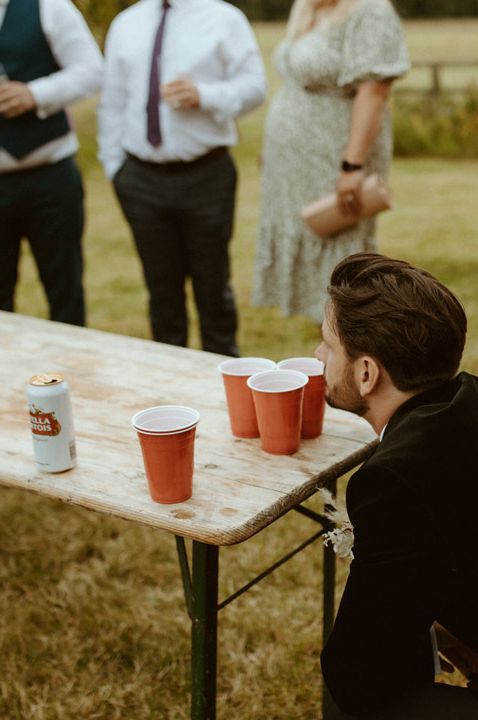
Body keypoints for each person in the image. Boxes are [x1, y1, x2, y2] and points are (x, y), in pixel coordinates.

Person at [315, 253, 478, 719]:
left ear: (366, 373)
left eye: (328, 345)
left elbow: (357, 674)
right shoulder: (470, 398)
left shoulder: (393, 481)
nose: (318, 357)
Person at [98, 0, 266, 357]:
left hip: (206, 175)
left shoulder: (223, 18)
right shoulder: (126, 23)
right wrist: (116, 169)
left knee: (213, 289)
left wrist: (205, 95)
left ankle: (222, 383)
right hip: (140, 179)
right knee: (161, 293)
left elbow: (255, 87)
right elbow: (112, 102)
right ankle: (169, 388)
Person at [253, 0, 409, 326]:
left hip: (335, 159)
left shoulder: (371, 11)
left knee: (340, 256)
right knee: (310, 247)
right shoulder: (307, 8)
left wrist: (352, 166)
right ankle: (328, 346)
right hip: (296, 166)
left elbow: (374, 93)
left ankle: (346, 348)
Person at [0, 0, 103, 326]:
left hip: (50, 178)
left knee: (65, 292)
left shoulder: (50, 7)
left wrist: (36, 94)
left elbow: (91, 71)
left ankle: (69, 374)